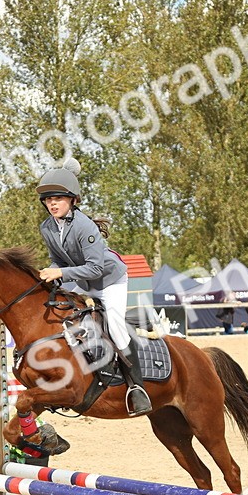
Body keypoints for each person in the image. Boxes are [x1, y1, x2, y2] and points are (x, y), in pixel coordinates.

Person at [34, 159, 151, 416]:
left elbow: (95, 268)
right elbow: (60, 260)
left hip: (109, 281)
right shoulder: (47, 227)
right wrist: (50, 273)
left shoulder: (84, 226)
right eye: (48, 199)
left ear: (72, 200)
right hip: (83, 281)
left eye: (58, 198)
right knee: (68, 320)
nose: (52, 203)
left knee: (116, 328)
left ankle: (137, 388)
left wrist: (61, 272)